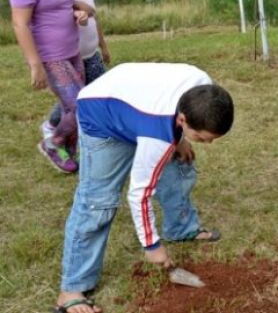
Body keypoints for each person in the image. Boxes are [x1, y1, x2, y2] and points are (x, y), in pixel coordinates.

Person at [54, 63, 234, 313]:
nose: (209, 143)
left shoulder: (204, 88)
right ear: (182, 119)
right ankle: (71, 290)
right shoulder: (158, 133)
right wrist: (151, 246)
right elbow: (139, 194)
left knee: (180, 166)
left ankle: (180, 228)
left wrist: (181, 139)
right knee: (98, 202)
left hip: (137, 104)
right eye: (203, 138)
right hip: (101, 113)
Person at [9, 0, 93, 173]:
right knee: (79, 105)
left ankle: (69, 152)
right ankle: (53, 143)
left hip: (72, 52)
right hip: (51, 57)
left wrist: (79, 12)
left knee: (72, 106)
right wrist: (35, 64)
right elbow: (20, 24)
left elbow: (66, 4)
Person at [42, 0, 112, 142]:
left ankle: (96, 131)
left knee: (99, 93)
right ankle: (51, 125)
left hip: (92, 55)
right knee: (74, 100)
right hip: (72, 59)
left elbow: (95, 22)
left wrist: (103, 47)